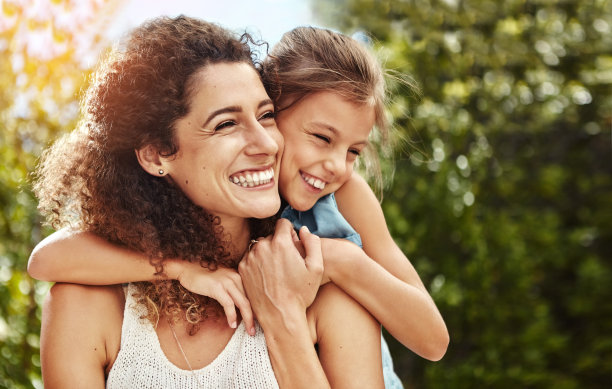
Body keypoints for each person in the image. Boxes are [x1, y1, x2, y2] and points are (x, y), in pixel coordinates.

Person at [30, 23, 449, 387]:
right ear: (157, 154)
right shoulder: (93, 306)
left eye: (354, 150)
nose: (337, 165)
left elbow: (432, 340)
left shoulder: (342, 205)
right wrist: (184, 269)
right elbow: (47, 259)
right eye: (229, 123)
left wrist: (337, 259)